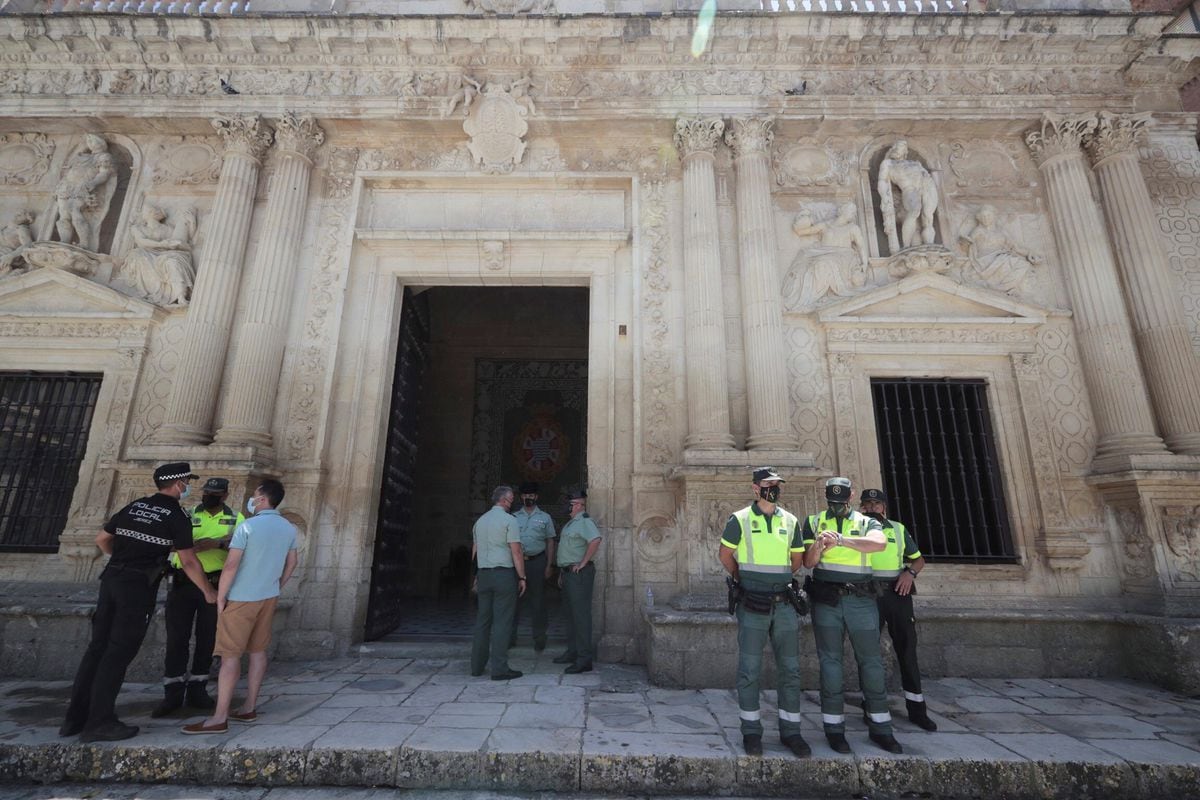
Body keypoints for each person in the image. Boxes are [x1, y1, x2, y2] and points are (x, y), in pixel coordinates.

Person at [61, 462, 214, 743]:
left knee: (97, 648)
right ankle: (100, 722)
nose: (187, 487)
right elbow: (189, 560)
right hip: (137, 586)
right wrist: (207, 591)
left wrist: (121, 560)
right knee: (119, 652)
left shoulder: (134, 507)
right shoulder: (176, 514)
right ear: (178, 483)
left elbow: (102, 539)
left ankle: (75, 719)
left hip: (111, 580)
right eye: (186, 482)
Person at [182, 479, 298, 735]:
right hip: (268, 596)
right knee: (258, 652)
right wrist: (278, 583)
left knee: (230, 656)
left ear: (262, 500)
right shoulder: (288, 528)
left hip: (242, 597)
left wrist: (221, 596)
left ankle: (219, 717)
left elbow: (232, 565)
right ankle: (249, 706)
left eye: (255, 495)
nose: (252, 499)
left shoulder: (247, 526)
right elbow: (293, 562)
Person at [802, 477, 903, 754]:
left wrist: (842, 541)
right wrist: (819, 546)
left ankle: (881, 727)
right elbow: (808, 563)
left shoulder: (868, 521)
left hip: (860, 600)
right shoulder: (812, 522)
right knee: (830, 663)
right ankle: (834, 729)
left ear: (852, 497)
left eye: (843, 501)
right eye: (833, 502)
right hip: (827, 600)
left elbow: (878, 544)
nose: (837, 507)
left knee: (871, 662)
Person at [718, 467, 810, 758]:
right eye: (768, 484)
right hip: (752, 604)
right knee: (749, 670)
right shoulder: (740, 519)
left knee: (791, 670)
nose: (774, 488)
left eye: (777, 484)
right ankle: (751, 732)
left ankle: (791, 732)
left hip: (783, 604)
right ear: (756, 488)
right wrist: (743, 579)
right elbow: (725, 555)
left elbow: (796, 562)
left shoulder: (791, 520)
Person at [152, 477, 244, 718]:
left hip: (214, 585)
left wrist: (218, 543)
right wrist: (187, 546)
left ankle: (198, 688)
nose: (209, 496)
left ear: (225, 495)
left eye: (215, 493)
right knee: (177, 638)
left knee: (208, 637)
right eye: (207, 491)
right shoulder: (184, 514)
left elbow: (244, 544)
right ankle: (172, 692)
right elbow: (164, 541)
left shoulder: (236, 518)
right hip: (183, 582)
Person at [861, 488, 938, 732]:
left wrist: (910, 573)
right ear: (861, 507)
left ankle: (917, 709)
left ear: (884, 506)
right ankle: (871, 706)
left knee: (907, 650)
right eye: (868, 504)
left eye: (877, 503)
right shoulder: (857, 528)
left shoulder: (897, 529)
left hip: (897, 593)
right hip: (868, 594)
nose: (873, 508)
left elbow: (918, 559)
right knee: (868, 653)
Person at [469, 485, 527, 681]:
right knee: (502, 622)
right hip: (503, 576)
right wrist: (522, 577)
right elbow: (516, 551)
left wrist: (476, 575)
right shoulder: (509, 520)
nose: (512, 503)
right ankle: (500, 669)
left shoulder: (480, 521)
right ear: (504, 500)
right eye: (511, 500)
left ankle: (476, 667)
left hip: (484, 575)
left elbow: (474, 552)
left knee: (482, 621)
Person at [553, 488, 602, 674]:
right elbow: (566, 551)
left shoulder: (584, 522)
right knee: (571, 616)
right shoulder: (570, 524)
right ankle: (572, 652)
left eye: (570, 504)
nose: (567, 507)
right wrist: (561, 573)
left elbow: (596, 540)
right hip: (568, 574)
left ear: (579, 505)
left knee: (581, 617)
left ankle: (584, 660)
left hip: (579, 575)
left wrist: (582, 563)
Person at [510, 481, 556, 651]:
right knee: (513, 602)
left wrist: (549, 565)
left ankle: (539, 638)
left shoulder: (545, 517)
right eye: (525, 495)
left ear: (536, 497)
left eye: (531, 495)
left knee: (538, 602)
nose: (528, 498)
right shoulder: (514, 517)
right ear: (520, 497)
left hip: (537, 562)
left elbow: (550, 542)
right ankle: (510, 637)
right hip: (517, 563)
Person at [877, 139, 939, 253]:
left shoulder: (915, 163)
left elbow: (925, 174)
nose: (897, 149)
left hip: (926, 185)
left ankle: (929, 245)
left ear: (905, 151)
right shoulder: (888, 163)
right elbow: (882, 181)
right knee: (914, 211)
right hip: (908, 189)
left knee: (928, 216)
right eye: (897, 147)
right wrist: (884, 196)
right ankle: (906, 246)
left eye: (901, 147)